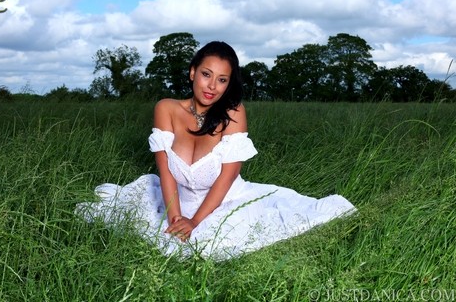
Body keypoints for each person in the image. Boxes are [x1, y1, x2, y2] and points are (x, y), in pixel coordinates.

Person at [76, 41, 355, 261]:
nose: (212, 86)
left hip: (223, 200)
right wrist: (176, 218)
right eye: (207, 75)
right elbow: (165, 172)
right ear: (192, 72)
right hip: (175, 199)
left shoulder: (233, 113)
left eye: (222, 80)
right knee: (148, 229)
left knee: (225, 241)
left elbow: (227, 177)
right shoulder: (167, 108)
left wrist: (194, 222)